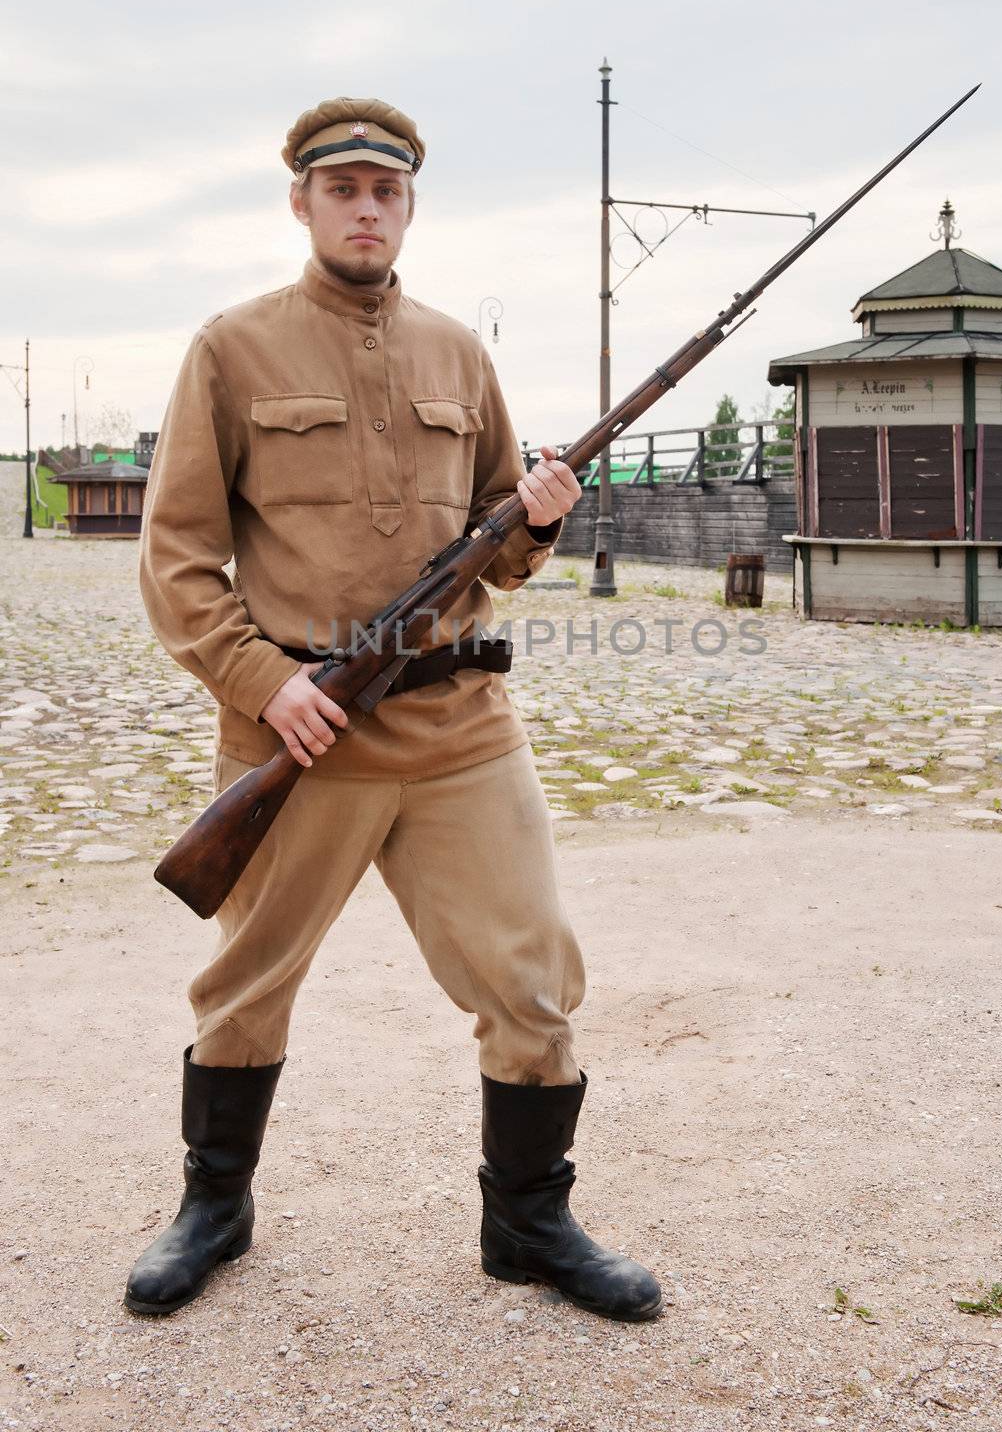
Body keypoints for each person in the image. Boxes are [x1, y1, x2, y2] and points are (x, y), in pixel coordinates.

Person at [127, 97, 661, 1323]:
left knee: (532, 977)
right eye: (343, 189)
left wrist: (537, 521)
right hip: (298, 733)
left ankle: (529, 1222)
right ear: (304, 202)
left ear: (409, 205)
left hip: (459, 723)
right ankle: (216, 1206)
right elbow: (178, 559)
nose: (366, 208)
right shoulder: (231, 348)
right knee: (248, 983)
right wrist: (268, 688)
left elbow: (500, 545)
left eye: (387, 190)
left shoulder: (458, 355)